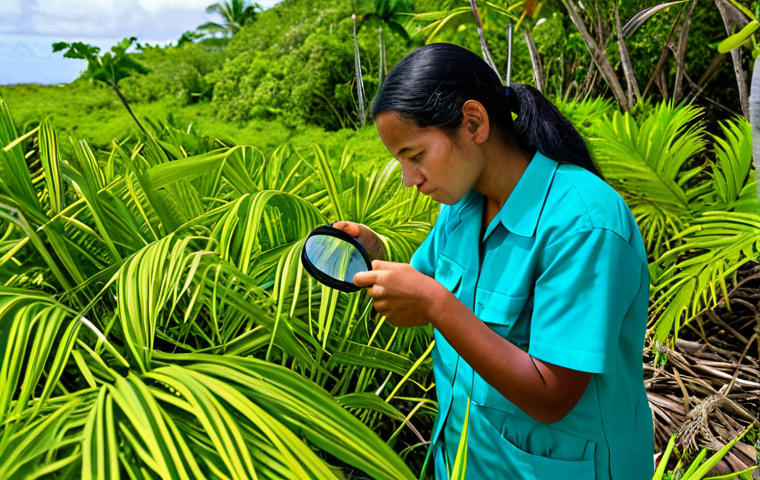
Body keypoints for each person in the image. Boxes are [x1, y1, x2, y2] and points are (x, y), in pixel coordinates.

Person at [333, 43, 653, 480]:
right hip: (467, 463)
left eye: (415, 156)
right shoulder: (462, 208)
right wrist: (377, 259)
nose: (409, 180)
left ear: (473, 122)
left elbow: (550, 397)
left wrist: (435, 305)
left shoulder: (584, 223)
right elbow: (425, 285)